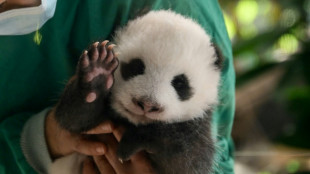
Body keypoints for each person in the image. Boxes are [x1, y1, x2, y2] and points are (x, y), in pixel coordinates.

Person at [0, 0, 235, 173]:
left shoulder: (178, 11)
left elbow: (207, 162)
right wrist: (43, 141)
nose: (150, 98)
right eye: (137, 68)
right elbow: (70, 123)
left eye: (179, 84)